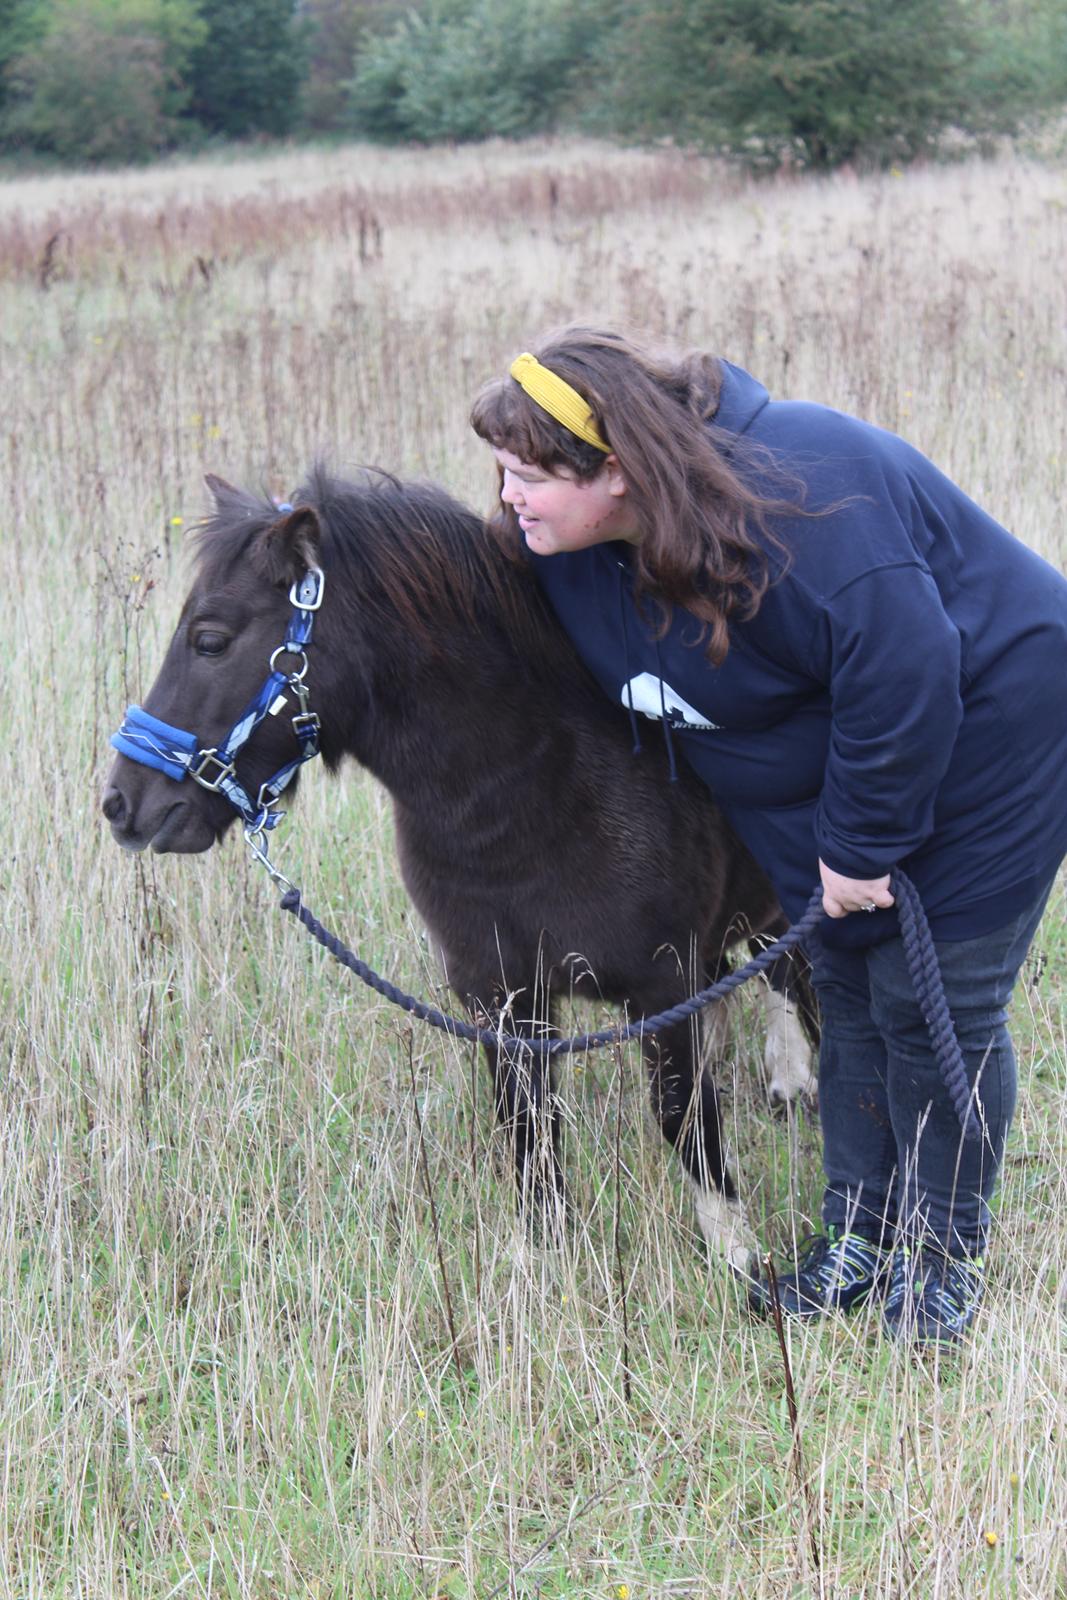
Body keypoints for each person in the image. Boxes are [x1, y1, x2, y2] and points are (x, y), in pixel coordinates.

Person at [469, 326, 1067, 1346]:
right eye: (500, 471)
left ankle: (941, 1260)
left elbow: (906, 667)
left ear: (615, 470)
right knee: (850, 989)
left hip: (993, 729)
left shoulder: (800, 496)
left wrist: (861, 846)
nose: (506, 496)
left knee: (933, 1004)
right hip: (830, 770)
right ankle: (858, 1236)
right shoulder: (566, 553)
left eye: (528, 476)